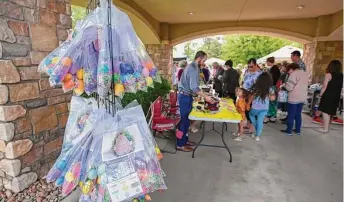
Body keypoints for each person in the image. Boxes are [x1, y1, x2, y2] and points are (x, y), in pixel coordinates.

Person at [177, 51, 214, 152]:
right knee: (184, 122)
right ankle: (180, 144)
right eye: (204, 60)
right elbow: (194, 88)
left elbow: (195, 86)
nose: (204, 63)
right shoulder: (193, 68)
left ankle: (184, 140)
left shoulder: (194, 67)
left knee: (187, 121)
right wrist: (206, 97)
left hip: (186, 96)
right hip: (184, 97)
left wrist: (205, 94)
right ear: (199, 59)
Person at [314, 60, 343, 133]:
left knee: (325, 112)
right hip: (336, 96)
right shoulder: (341, 75)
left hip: (328, 95)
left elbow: (324, 86)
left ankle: (325, 129)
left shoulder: (328, 75)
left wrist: (320, 94)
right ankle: (326, 126)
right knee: (330, 112)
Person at [280, 63, 308, 136]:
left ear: (292, 69)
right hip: (302, 96)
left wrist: (284, 85)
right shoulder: (305, 73)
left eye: (288, 71)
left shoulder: (293, 74)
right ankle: (298, 130)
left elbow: (289, 87)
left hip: (294, 96)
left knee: (291, 114)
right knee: (298, 114)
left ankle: (289, 130)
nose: (288, 73)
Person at [247, 72, 273, 141]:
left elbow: (251, 97)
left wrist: (248, 104)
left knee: (251, 115)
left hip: (255, 107)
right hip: (265, 108)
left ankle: (256, 130)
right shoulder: (270, 89)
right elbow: (272, 98)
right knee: (260, 121)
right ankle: (257, 136)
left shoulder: (256, 87)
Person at [242, 58, 262, 134]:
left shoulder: (259, 74)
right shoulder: (248, 71)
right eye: (248, 66)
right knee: (246, 109)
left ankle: (252, 128)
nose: (250, 68)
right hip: (245, 92)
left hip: (253, 94)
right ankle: (248, 124)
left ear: (256, 65)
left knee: (252, 110)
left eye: (251, 66)